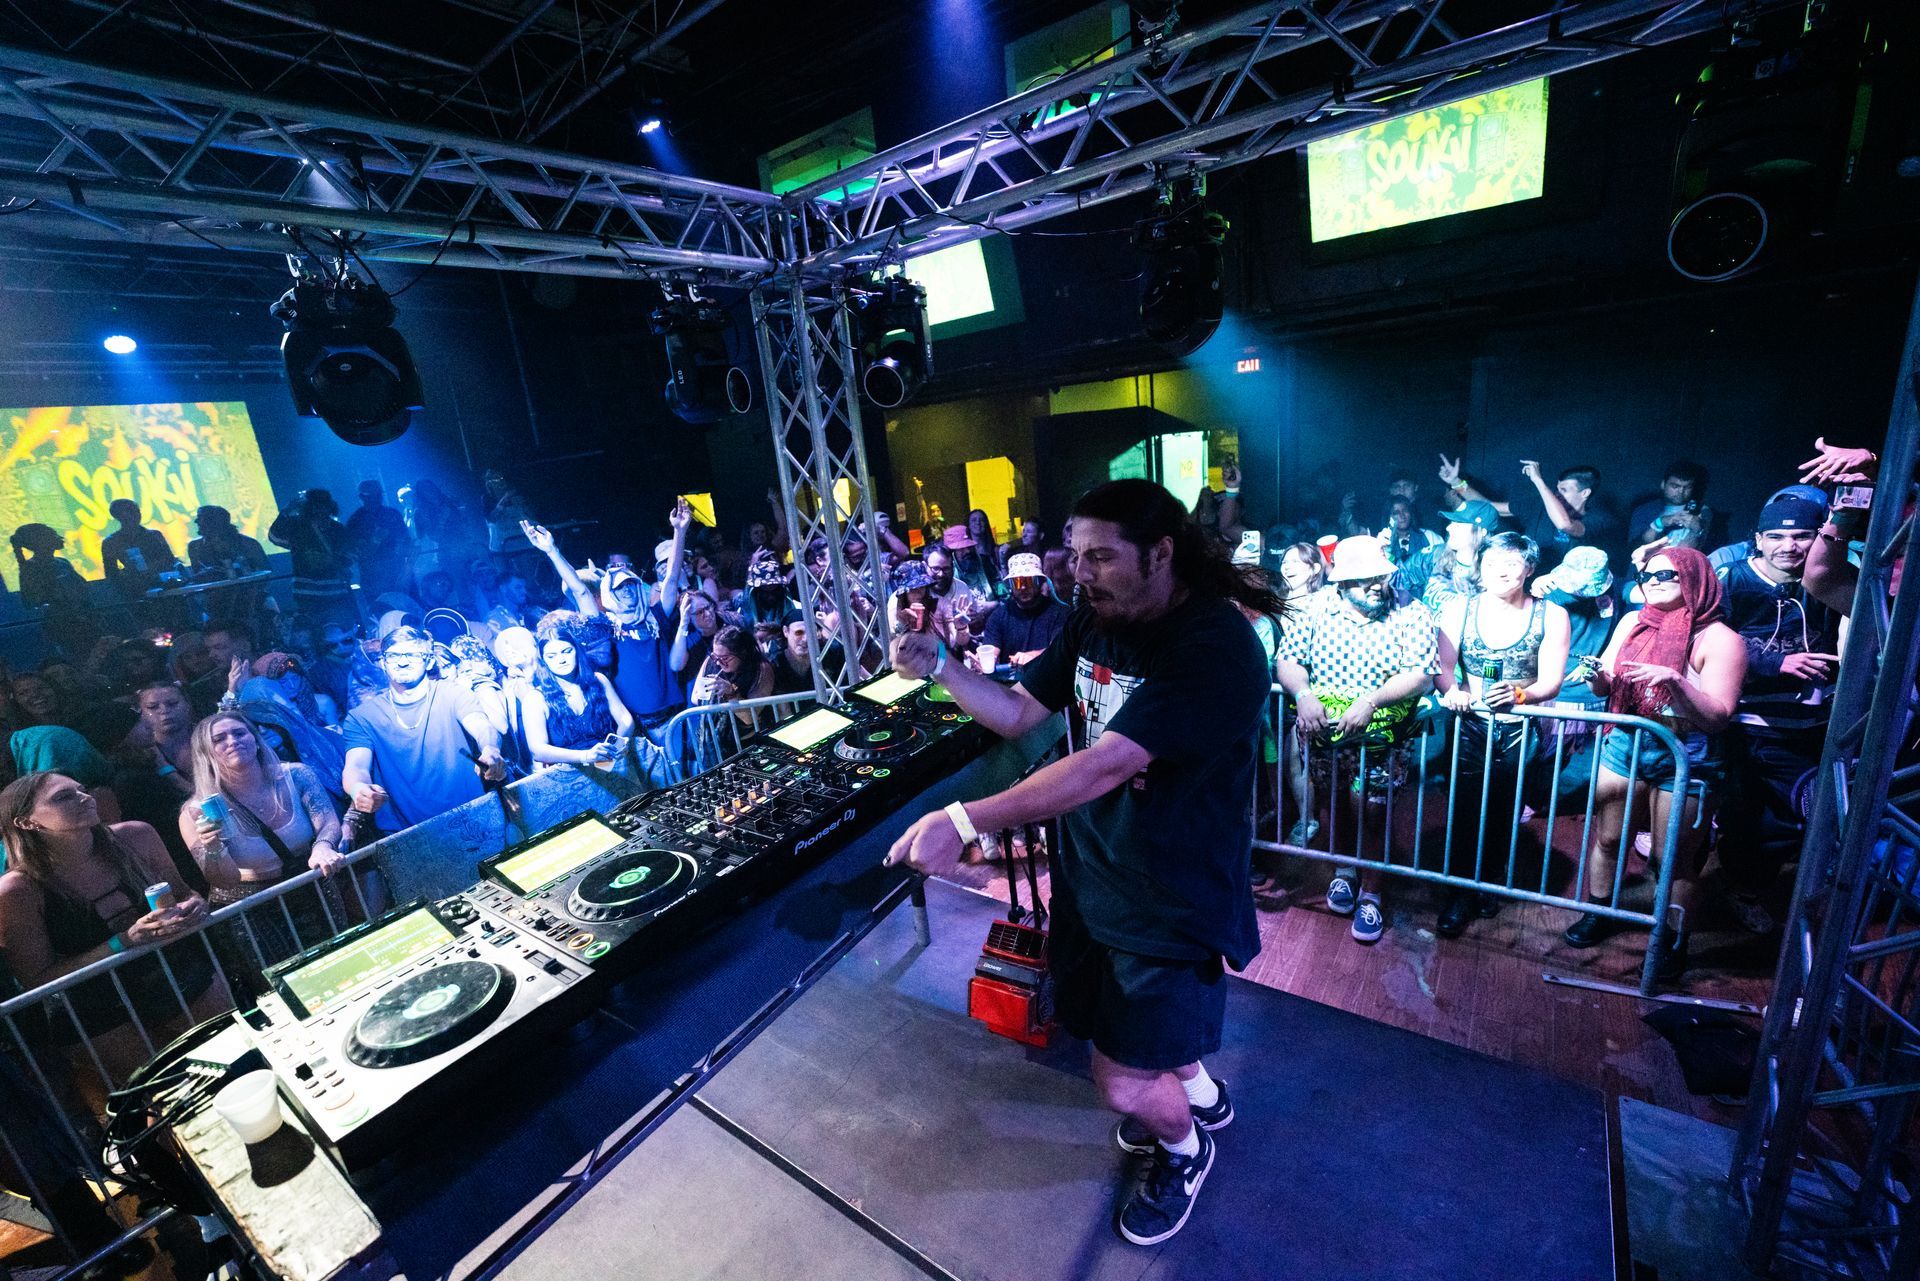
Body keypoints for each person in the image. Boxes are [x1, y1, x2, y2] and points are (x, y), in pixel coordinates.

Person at [884, 478, 1274, 1247]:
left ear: (1161, 554)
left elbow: (1102, 765)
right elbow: (1020, 713)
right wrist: (942, 668)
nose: (1078, 571)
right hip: (1095, 876)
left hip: (1173, 893)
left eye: (1101, 555)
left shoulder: (1214, 647)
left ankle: (1186, 1147)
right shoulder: (1092, 623)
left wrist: (962, 819)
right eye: (1075, 552)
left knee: (1119, 1074)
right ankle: (1198, 1090)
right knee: (1113, 1023)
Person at [1561, 543, 1747, 979]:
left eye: (1669, 575)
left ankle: (1670, 940)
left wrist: (1677, 683)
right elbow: (1605, 688)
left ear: (1696, 580)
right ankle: (1599, 912)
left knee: (1673, 858)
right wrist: (1596, 676)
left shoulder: (1720, 638)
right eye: (1650, 576)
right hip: (1628, 738)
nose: (1655, 583)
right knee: (1609, 838)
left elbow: (1718, 717)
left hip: (1687, 752)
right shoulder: (1632, 621)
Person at [0, 772, 224, 1083]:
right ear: (26, 822)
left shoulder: (136, 836)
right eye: (64, 797)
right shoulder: (17, 890)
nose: (85, 797)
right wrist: (123, 942)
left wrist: (193, 905)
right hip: (94, 1010)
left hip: (170, 972)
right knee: (167, 1089)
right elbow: (38, 980)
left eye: (82, 788)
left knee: (233, 1058)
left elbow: (184, 893)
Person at [1275, 535, 1439, 944]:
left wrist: (1371, 701)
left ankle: (1372, 893)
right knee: (1332, 803)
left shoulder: (1410, 610)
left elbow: (1420, 673)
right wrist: (1304, 695)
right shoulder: (1314, 609)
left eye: (1379, 576)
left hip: (1383, 737)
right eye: (1363, 578)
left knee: (1375, 812)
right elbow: (1288, 660)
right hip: (1326, 733)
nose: (1375, 585)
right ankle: (1344, 873)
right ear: (1341, 583)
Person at [1431, 533, 1570, 936]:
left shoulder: (1551, 615)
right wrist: (1452, 690)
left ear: (1529, 569)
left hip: (1520, 727)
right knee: (1464, 808)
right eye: (1491, 563)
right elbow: (1443, 665)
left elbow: (1551, 681)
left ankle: (1489, 881)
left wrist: (1522, 693)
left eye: (1510, 565)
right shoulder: (1461, 607)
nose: (1499, 571)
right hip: (1470, 724)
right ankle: (1459, 893)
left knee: (1504, 810)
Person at [1713, 496, 1840, 935]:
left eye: (1802, 535)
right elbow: (1705, 640)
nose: (1789, 545)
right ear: (1758, 541)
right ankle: (1739, 889)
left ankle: (1746, 885)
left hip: (1812, 720)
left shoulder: (1827, 582)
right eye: (1777, 536)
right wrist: (1773, 664)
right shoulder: (1734, 580)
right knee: (1781, 810)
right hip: (1750, 723)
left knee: (1772, 817)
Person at [340, 625, 506, 834]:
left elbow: (482, 726)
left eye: (412, 655)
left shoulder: (452, 693)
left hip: (473, 817)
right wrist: (359, 789)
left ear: (429, 661)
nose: (402, 662)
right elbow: (356, 766)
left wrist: (491, 749)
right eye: (393, 656)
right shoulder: (362, 716)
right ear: (383, 663)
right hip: (408, 834)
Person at [1442, 456, 1617, 570]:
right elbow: (1488, 506)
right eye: (1556, 489)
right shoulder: (1539, 506)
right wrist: (1457, 483)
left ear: (1584, 493)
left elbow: (1565, 525)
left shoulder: (1599, 520)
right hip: (1527, 587)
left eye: (1564, 490)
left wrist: (1539, 481)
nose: (1556, 494)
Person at [519, 616, 634, 767]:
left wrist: (613, 751)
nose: (561, 660)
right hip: (571, 777)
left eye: (566, 651)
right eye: (551, 656)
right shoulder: (535, 699)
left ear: (576, 651)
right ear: (544, 661)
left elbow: (626, 720)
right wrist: (585, 756)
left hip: (611, 765)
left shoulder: (598, 680)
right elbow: (538, 750)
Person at [269, 489, 355, 628]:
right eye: (316, 506)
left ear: (330, 507)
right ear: (309, 507)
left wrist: (336, 562)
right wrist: (286, 512)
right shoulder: (298, 526)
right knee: (315, 630)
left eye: (323, 506)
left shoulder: (337, 529)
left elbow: (352, 553)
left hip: (335, 590)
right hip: (307, 591)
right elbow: (274, 536)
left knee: (340, 627)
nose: (320, 511)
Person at [1394, 500, 1498, 613]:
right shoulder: (1436, 555)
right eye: (1451, 523)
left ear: (1481, 531)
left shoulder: (1496, 572)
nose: (1449, 528)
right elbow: (1397, 577)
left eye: (1458, 524)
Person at [975, 552, 1069, 672]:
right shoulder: (999, 616)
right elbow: (992, 649)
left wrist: (1032, 656)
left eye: (1028, 581)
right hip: (1009, 684)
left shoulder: (1059, 613)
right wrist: (985, 660)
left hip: (1046, 681)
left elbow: (1059, 651)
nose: (1023, 587)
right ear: (1011, 585)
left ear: (1039, 581)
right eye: (1018, 582)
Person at [12, 524, 94, 660]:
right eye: (50, 534)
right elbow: (31, 600)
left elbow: (82, 587)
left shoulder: (62, 562)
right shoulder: (31, 568)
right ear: (37, 541)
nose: (57, 537)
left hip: (84, 616)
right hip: (63, 624)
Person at [346, 479, 414, 602]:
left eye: (378, 494)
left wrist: (406, 551)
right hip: (373, 577)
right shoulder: (355, 521)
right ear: (361, 497)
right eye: (370, 495)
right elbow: (357, 553)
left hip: (399, 570)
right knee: (382, 608)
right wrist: (376, 540)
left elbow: (405, 539)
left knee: (408, 603)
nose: (376, 498)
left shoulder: (392, 514)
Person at [1629, 461, 1714, 553]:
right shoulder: (1645, 510)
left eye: (1687, 487)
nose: (1681, 491)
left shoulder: (1702, 510)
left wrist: (1696, 530)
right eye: (1675, 486)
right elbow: (1635, 548)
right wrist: (1660, 523)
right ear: (1663, 484)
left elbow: (1693, 551)